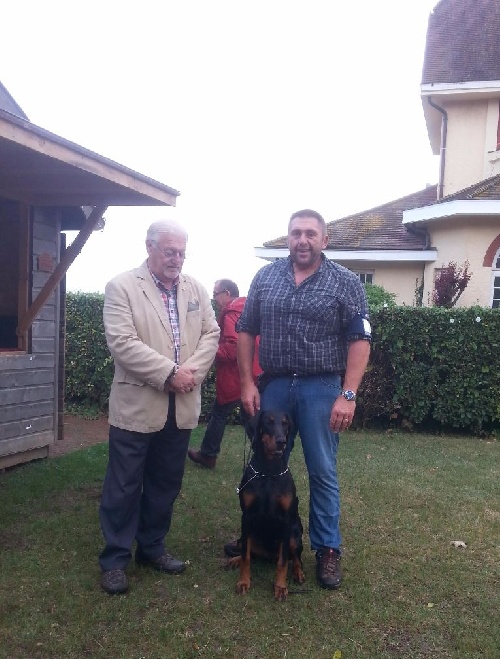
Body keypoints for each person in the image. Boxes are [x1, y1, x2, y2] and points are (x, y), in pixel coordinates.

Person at [229, 208, 371, 590]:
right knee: (263, 463)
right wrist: (247, 383)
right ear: (287, 238)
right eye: (295, 233)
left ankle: (327, 550)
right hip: (273, 384)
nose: (302, 240)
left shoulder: (345, 282)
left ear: (324, 240)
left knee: (322, 469)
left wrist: (349, 394)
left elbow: (360, 340)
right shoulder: (265, 277)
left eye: (310, 233)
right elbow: (245, 330)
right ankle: (255, 535)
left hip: (321, 388)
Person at [98, 219, 220, 595]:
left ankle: (151, 548)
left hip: (180, 409)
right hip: (137, 406)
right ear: (149, 247)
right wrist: (170, 373)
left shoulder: (196, 288)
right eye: (170, 251)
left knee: (166, 484)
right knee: (124, 486)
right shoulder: (122, 286)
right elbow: (123, 342)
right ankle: (116, 559)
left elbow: (211, 334)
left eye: (182, 252)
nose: (177, 259)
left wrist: (189, 375)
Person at [187, 279, 260, 469]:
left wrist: (209, 350)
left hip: (236, 375)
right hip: (253, 371)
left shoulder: (231, 313)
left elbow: (232, 348)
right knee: (248, 415)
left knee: (223, 413)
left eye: (215, 294)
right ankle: (263, 457)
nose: (214, 299)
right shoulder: (247, 308)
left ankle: (209, 454)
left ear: (227, 293)